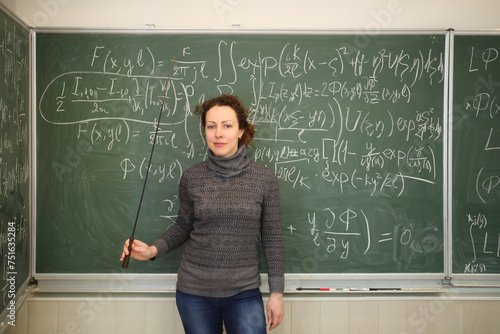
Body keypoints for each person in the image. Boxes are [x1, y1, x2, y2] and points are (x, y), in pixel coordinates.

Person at [120, 94, 285, 333]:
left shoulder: (264, 178)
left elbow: (272, 239)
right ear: (205, 131)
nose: (219, 134)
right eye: (211, 126)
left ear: (241, 131)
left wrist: (276, 294)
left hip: (244, 292)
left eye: (227, 126)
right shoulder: (192, 177)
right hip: (194, 292)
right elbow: (184, 226)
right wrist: (153, 250)